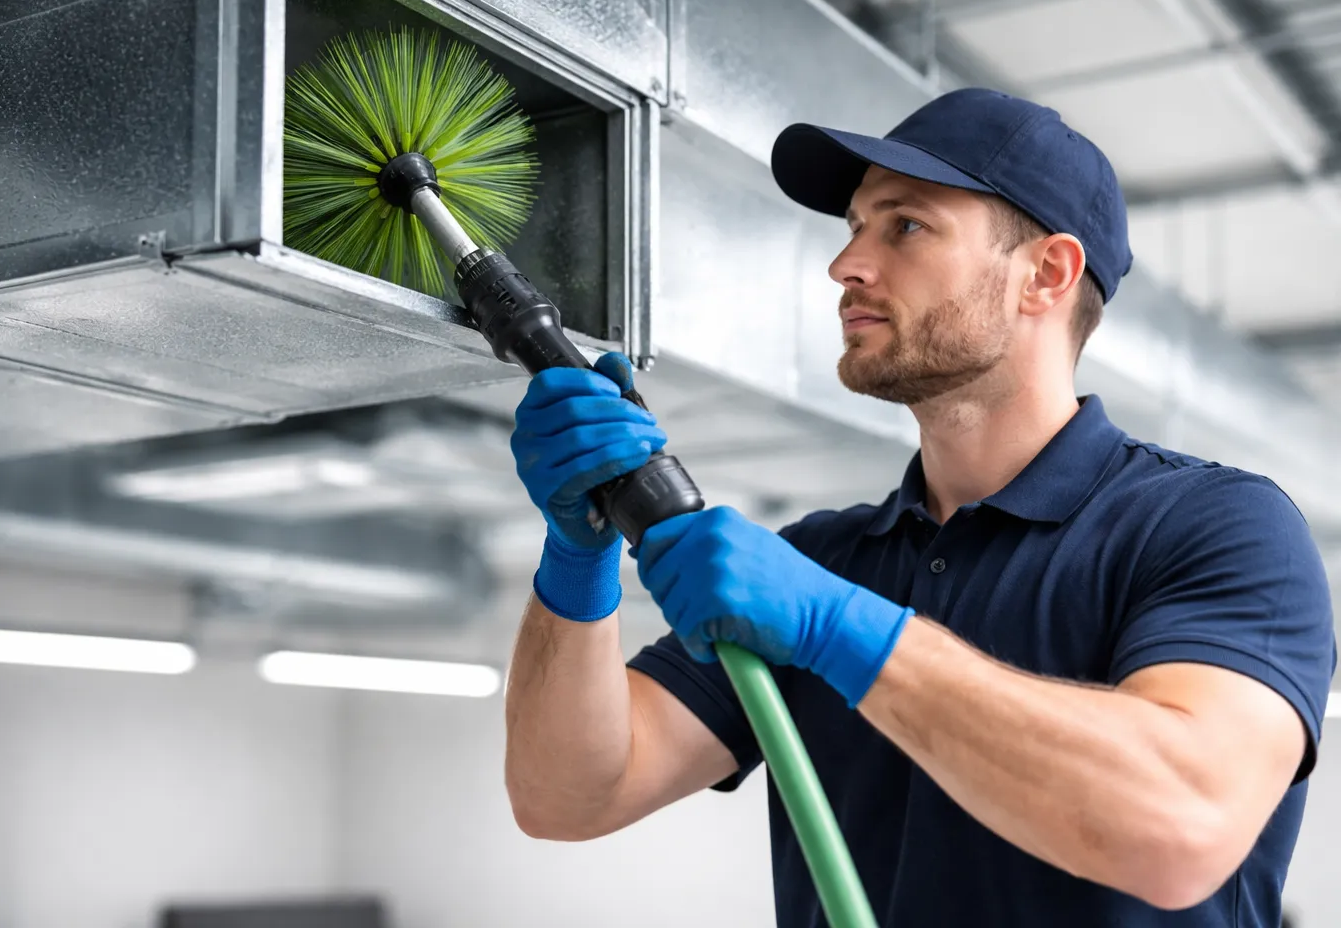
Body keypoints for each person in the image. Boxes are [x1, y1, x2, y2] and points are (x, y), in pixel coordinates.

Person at [501, 87, 1336, 927]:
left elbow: (1181, 826)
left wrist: (841, 630)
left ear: (1045, 275)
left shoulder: (1214, 527)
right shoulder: (822, 561)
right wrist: (579, 557)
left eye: (904, 226)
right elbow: (568, 796)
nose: (846, 265)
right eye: (854, 227)